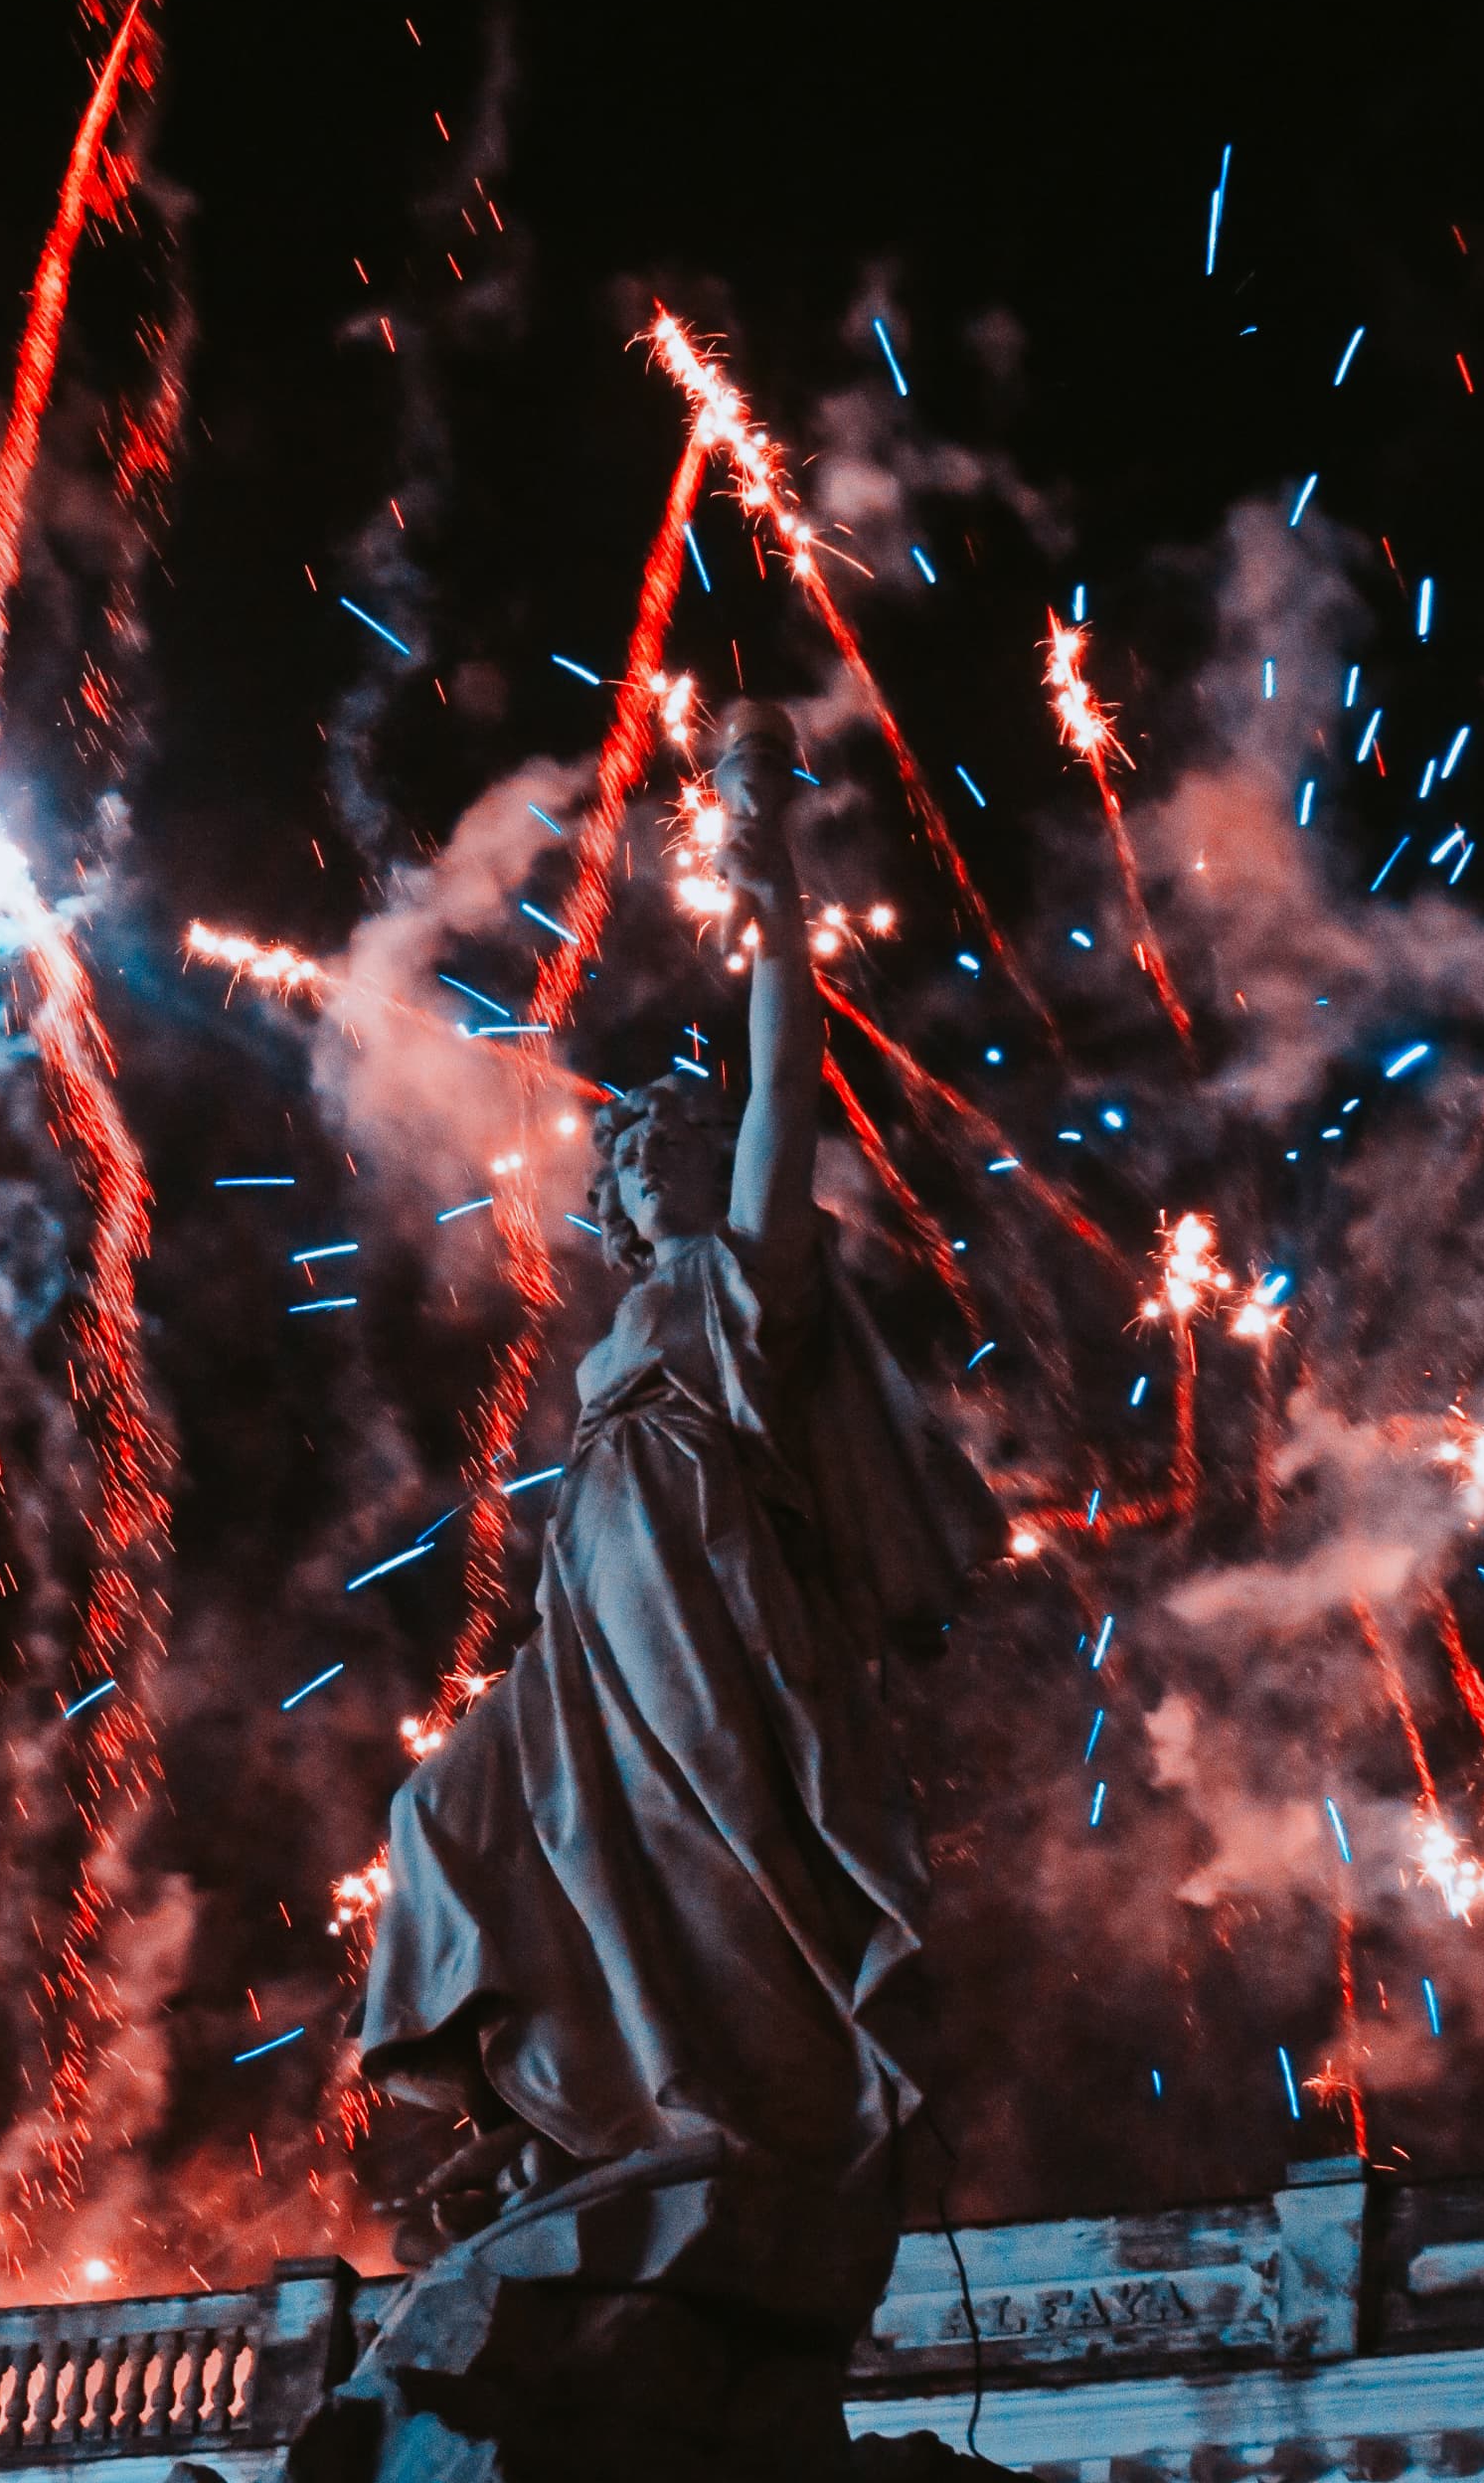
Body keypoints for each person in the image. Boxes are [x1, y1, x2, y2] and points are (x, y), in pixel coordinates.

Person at [357, 701, 999, 2321]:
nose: (657, 1167)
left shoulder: (745, 1275)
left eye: (689, 1145)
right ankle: (567, 2124)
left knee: (714, 1872)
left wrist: (766, 873)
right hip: (596, 1617)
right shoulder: (641, 1312)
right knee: (452, 1816)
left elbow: (788, 1070)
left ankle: (694, 2117)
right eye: (638, 1161)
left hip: (711, 1610)